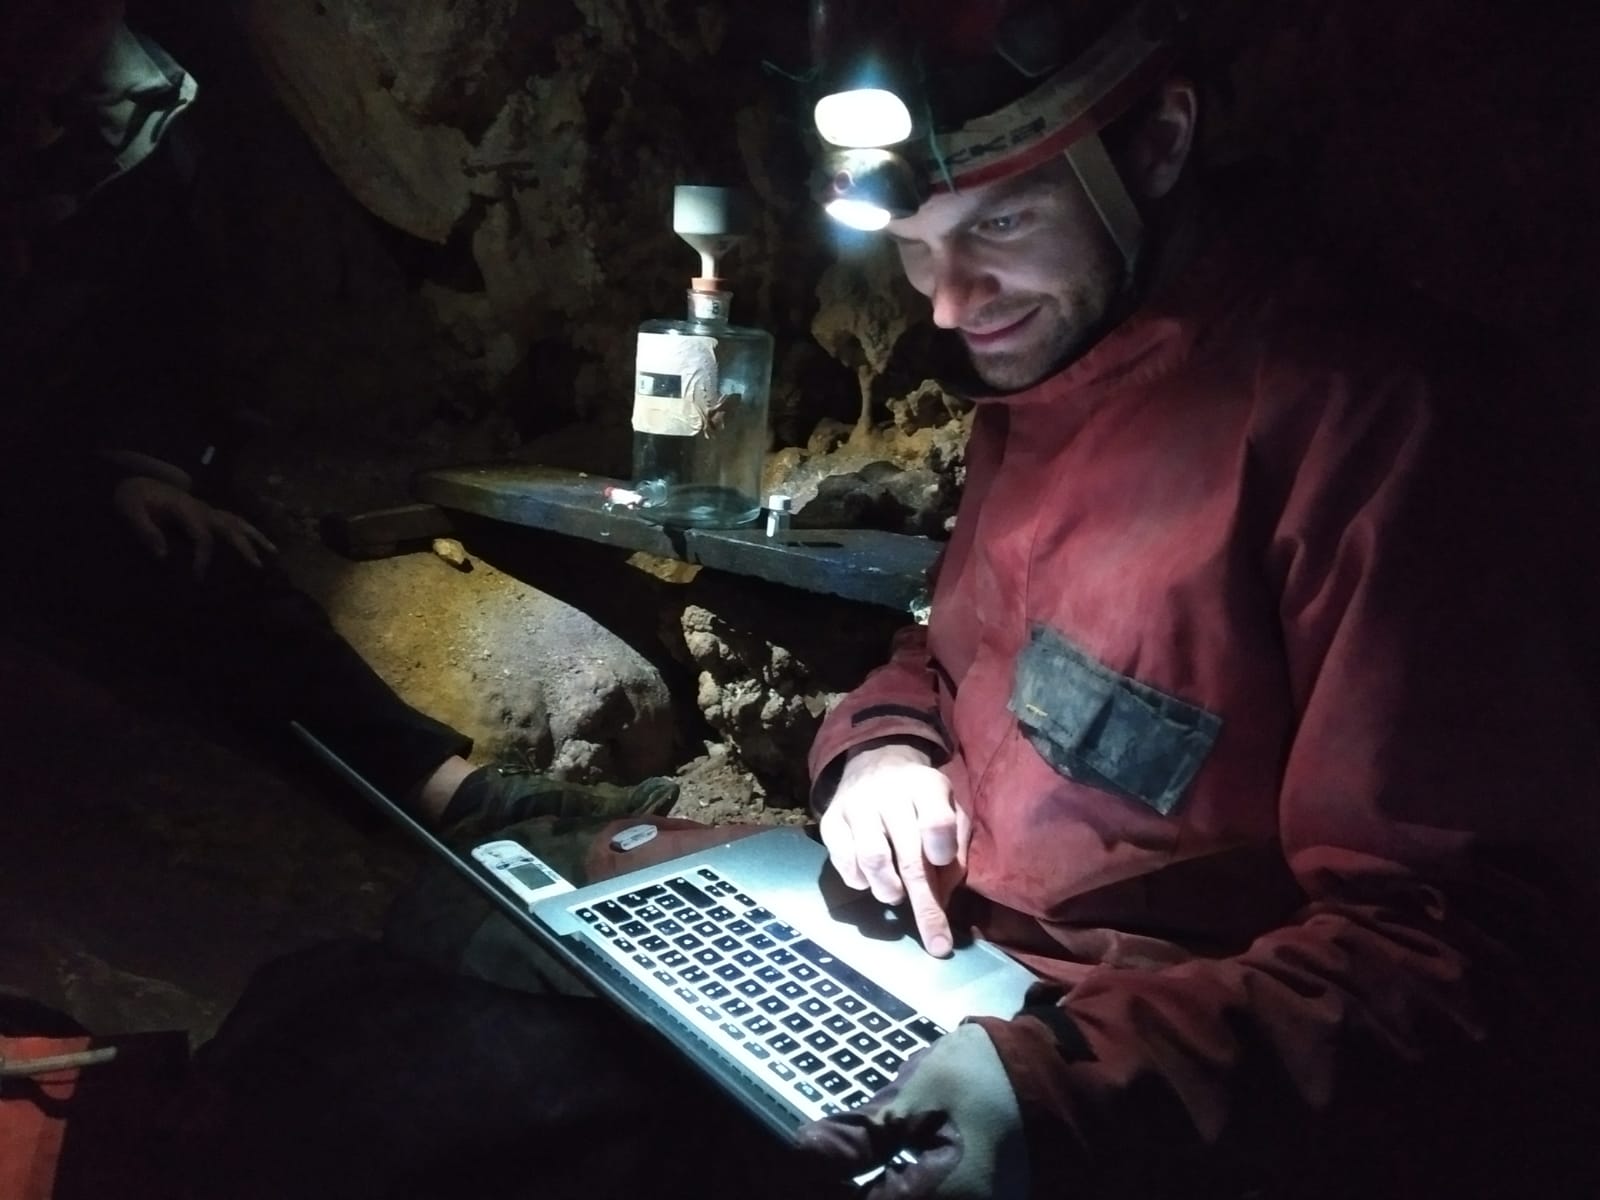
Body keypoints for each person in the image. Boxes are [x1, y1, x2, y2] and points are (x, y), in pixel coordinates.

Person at [162, 2, 1599, 1197]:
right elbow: (938, 651)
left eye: (1002, 225)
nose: (950, 304)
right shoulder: (1041, 390)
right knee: (350, 1004)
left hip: (1117, 1083)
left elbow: (1460, 950)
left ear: (1156, 144)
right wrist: (887, 749)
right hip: (922, 968)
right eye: (914, 252)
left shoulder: (1381, 429)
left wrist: (1055, 1094)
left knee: (432, 1119)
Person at [0, 1, 676, 832]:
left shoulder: (135, 108)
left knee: (202, 554)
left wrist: (140, 466)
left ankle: (457, 801)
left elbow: (157, 325)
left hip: (44, 460)